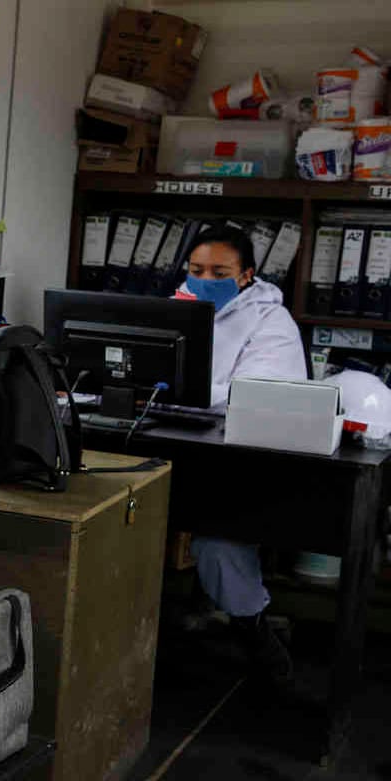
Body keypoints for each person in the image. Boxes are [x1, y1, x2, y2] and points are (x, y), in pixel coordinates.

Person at [177, 224, 306, 683]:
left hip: (246, 458)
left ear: (247, 275)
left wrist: (182, 393)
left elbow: (254, 393)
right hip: (180, 445)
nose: (204, 278)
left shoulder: (272, 322)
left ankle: (252, 628)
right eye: (195, 269)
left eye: (219, 271)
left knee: (219, 540)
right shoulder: (180, 308)